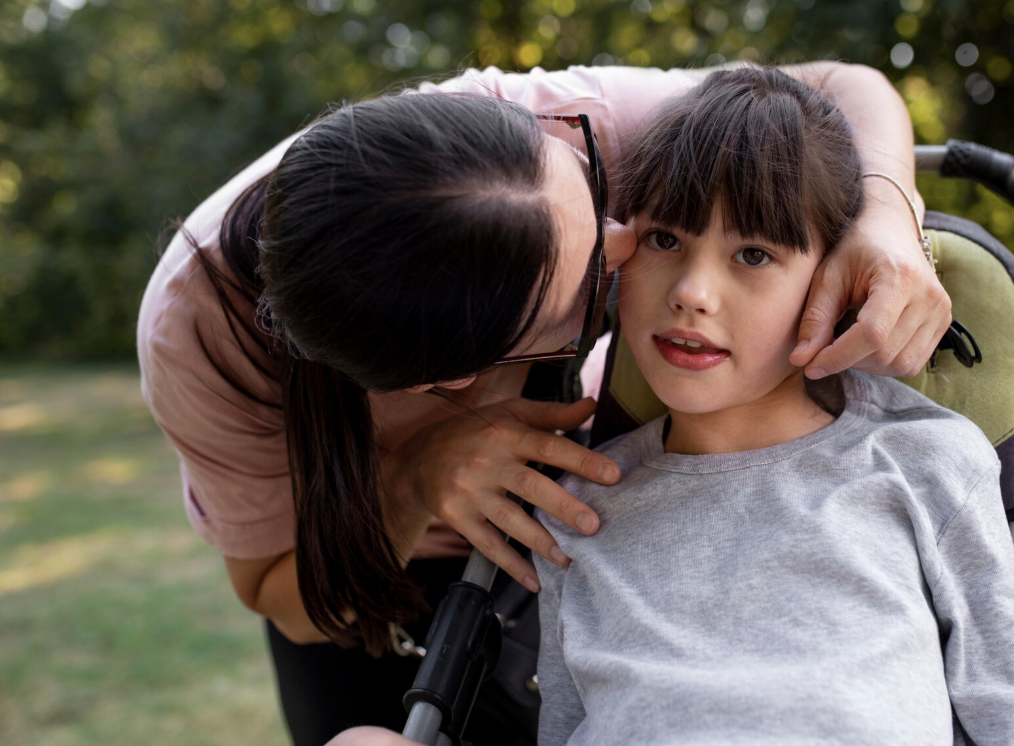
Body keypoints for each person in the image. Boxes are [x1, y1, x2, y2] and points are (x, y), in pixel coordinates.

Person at [136, 62, 950, 746]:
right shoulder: (197, 336)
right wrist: (416, 480)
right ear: (460, 380)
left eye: (599, 198)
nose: (630, 242)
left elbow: (844, 83)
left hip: (568, 527)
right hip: (374, 579)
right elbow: (279, 591)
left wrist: (888, 210)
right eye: (599, 271)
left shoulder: (552, 131)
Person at [532, 68, 1014, 744]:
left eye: (753, 254)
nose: (693, 292)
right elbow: (560, 723)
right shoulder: (576, 509)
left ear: (836, 282)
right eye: (665, 240)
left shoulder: (922, 461)